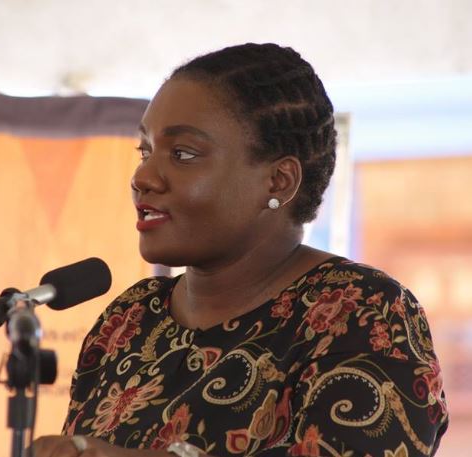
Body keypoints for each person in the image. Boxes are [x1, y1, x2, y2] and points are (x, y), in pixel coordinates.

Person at [32, 43, 448, 457]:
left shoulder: (359, 310)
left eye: (182, 154)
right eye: (145, 151)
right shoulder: (129, 319)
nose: (143, 177)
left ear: (278, 181)